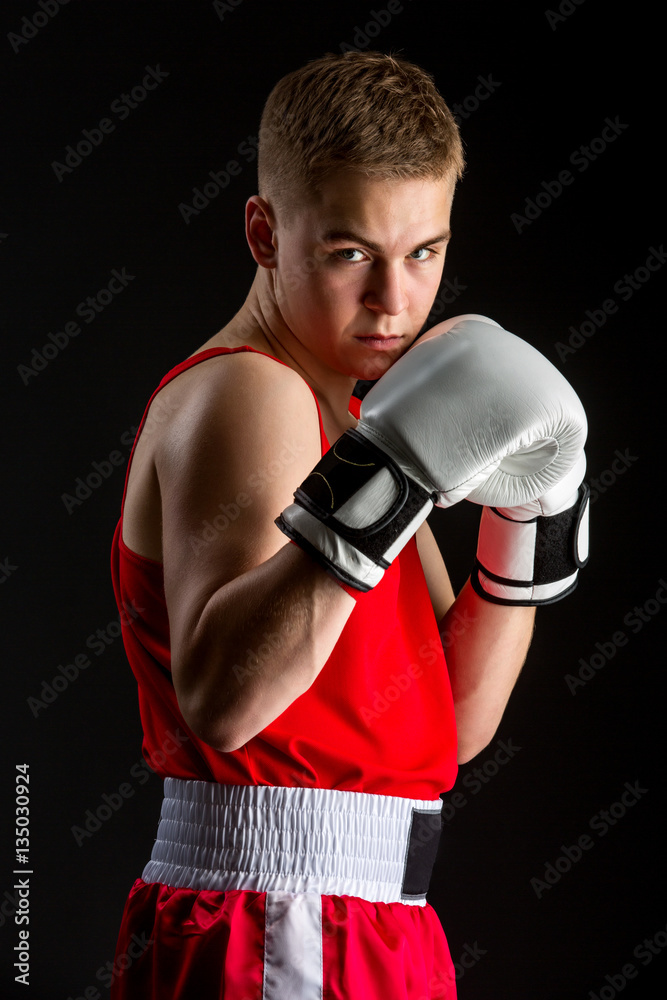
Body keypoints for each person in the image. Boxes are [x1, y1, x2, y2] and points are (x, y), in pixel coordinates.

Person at [109, 50, 589, 999]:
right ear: (262, 232)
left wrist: (528, 516)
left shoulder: (362, 418)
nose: (394, 301)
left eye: (424, 252)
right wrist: (394, 474)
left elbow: (446, 727)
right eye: (348, 253)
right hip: (278, 921)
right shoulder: (253, 390)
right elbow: (222, 702)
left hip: (373, 919)